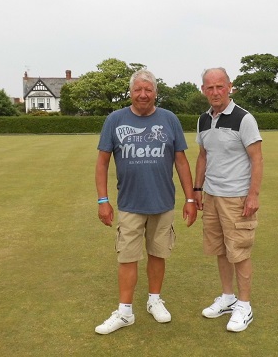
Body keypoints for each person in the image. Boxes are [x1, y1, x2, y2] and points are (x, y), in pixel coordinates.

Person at [94, 69, 197, 335]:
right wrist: (103, 200)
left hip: (162, 203)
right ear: (131, 92)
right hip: (129, 204)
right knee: (127, 257)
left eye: (148, 90)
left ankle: (154, 300)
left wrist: (190, 198)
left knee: (158, 253)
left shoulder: (169, 120)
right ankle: (125, 312)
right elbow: (102, 162)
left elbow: (181, 161)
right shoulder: (115, 120)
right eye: (138, 89)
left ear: (155, 93)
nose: (143, 94)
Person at [193, 67, 263, 333]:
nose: (215, 92)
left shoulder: (244, 118)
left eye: (219, 86)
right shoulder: (203, 120)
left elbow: (257, 158)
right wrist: (198, 189)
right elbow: (203, 156)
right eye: (209, 88)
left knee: (240, 251)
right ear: (203, 90)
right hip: (211, 195)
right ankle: (227, 297)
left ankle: (244, 306)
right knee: (220, 249)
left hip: (237, 197)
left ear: (229, 86)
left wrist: (253, 195)